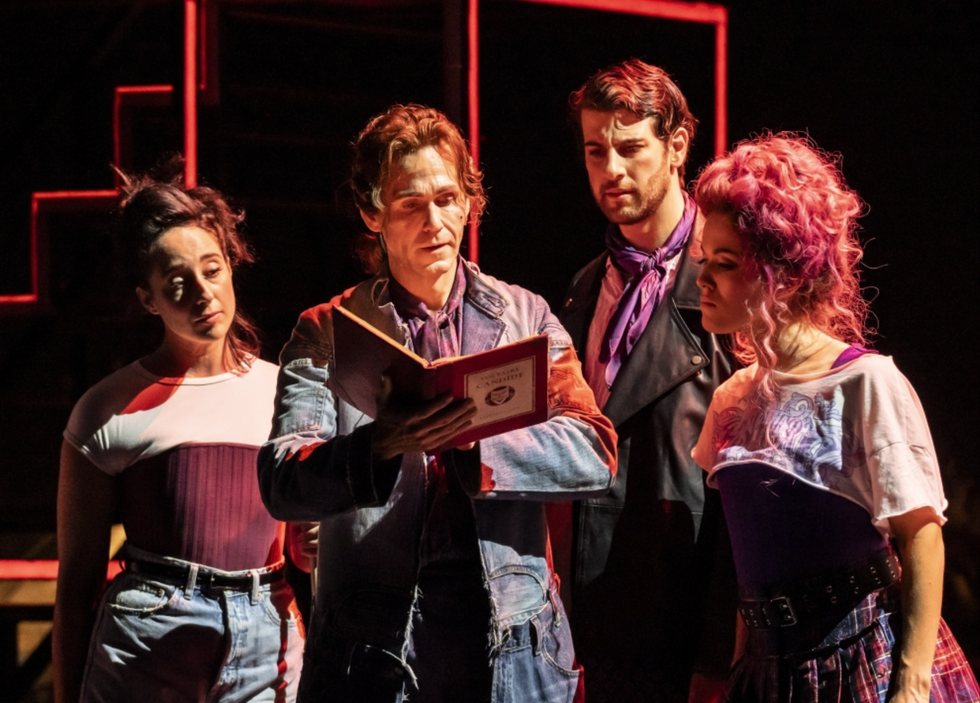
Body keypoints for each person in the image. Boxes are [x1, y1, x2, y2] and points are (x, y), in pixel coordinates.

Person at [256, 103, 618, 703]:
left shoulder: (525, 318)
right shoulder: (328, 331)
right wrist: (380, 445)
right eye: (409, 204)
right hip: (376, 653)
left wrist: (476, 439)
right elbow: (283, 479)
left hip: (513, 647)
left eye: (448, 199)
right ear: (373, 213)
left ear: (469, 202)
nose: (435, 222)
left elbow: (594, 453)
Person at [691, 134, 980, 702]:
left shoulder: (865, 383)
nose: (702, 280)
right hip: (771, 673)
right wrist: (736, 667)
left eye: (725, 264)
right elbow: (747, 559)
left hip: (859, 662)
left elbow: (921, 534)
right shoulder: (729, 400)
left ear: (789, 276)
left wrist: (911, 684)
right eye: (704, 260)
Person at [53, 167, 312, 703]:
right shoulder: (106, 410)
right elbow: (76, 589)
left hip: (268, 641)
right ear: (148, 299)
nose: (203, 293)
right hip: (148, 644)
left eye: (212, 270)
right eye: (177, 283)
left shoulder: (286, 392)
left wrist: (319, 543)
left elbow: (308, 545)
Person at [553, 58, 737, 702]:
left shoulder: (724, 283)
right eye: (595, 150)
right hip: (593, 622)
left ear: (678, 145)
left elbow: (744, 490)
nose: (611, 170)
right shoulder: (582, 288)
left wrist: (718, 655)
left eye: (631, 148)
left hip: (681, 622)